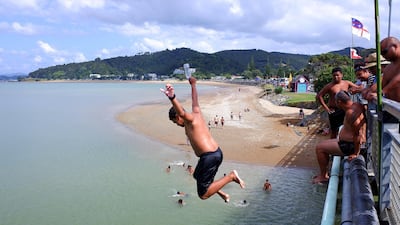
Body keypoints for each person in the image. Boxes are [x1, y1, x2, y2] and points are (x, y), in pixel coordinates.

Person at [162, 77, 245, 202]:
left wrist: (172, 97)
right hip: (214, 154)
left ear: (178, 117)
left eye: (175, 122)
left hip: (209, 156)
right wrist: (193, 85)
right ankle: (222, 193)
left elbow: (182, 113)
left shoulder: (188, 120)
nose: (177, 124)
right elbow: (195, 101)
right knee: (196, 175)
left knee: (203, 195)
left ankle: (231, 177)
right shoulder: (196, 113)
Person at [312, 90, 366, 184]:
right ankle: (324, 173)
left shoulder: (350, 113)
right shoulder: (357, 105)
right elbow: (363, 120)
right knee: (321, 145)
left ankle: (323, 176)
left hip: (349, 146)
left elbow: (357, 132)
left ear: (339, 102)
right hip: (346, 142)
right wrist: (364, 134)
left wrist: (356, 153)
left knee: (320, 148)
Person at [316, 67, 359, 138]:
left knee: (346, 127)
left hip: (345, 109)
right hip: (334, 110)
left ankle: (343, 144)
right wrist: (327, 109)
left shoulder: (347, 83)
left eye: (337, 75)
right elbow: (319, 96)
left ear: (341, 75)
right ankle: (332, 145)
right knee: (334, 130)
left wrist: (356, 90)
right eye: (334, 75)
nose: (336, 77)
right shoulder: (329, 86)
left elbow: (358, 88)